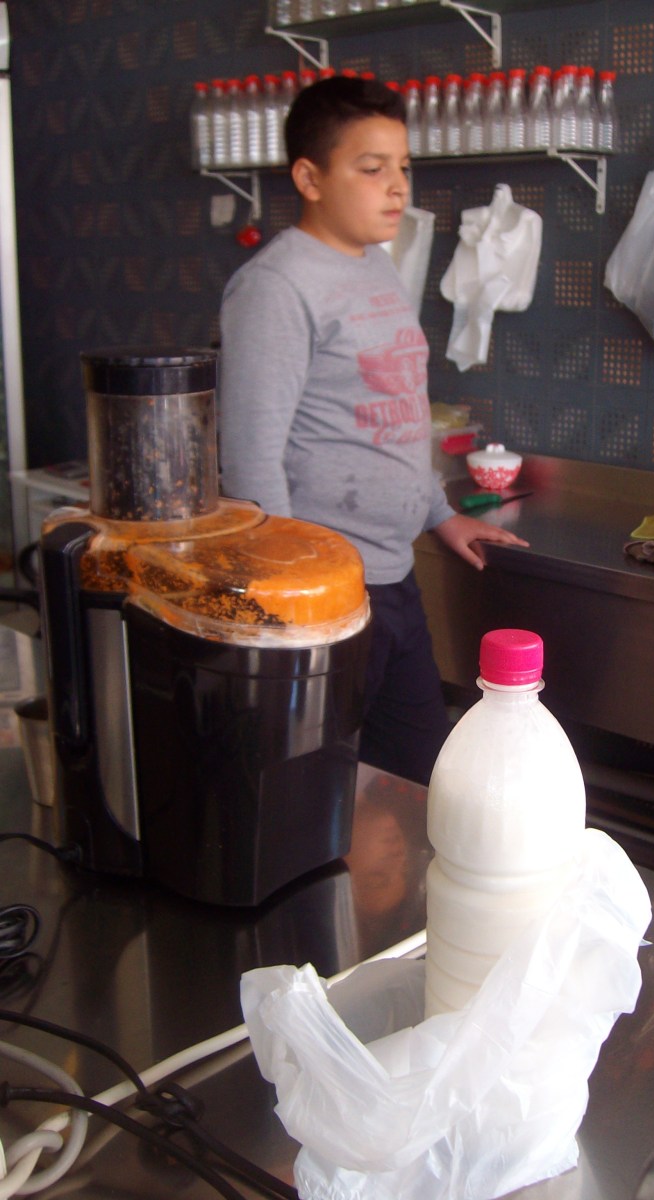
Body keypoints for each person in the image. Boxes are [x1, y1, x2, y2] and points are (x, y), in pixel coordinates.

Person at [217, 76, 528, 786]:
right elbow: (252, 463)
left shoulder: (379, 267)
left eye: (403, 166)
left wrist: (439, 514)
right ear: (310, 178)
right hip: (326, 596)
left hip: (392, 581)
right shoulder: (276, 286)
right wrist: (298, 604)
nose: (397, 187)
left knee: (418, 786)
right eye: (371, 167)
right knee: (315, 791)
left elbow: (397, 412)